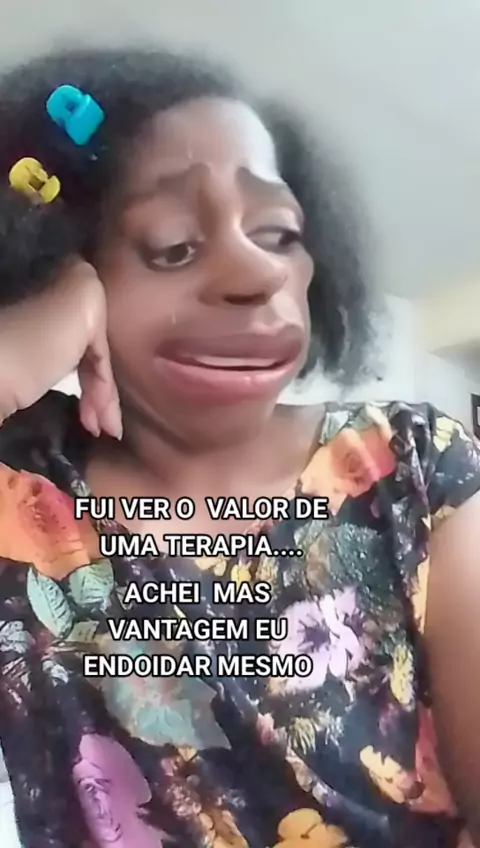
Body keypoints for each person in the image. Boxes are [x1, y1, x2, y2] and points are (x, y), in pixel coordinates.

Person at [0, 45, 478, 848]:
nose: (258, 275)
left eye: (280, 234)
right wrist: (16, 349)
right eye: (173, 245)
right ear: (61, 270)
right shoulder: (23, 487)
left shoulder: (414, 468)